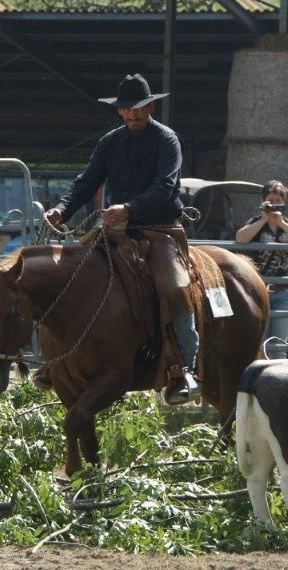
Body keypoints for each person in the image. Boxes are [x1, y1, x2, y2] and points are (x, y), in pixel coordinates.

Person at [43, 73, 199, 404]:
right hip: (115, 231)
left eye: (138, 110)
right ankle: (55, 360)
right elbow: (86, 181)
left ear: (152, 106)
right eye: (126, 111)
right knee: (70, 276)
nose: (132, 116)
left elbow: (165, 187)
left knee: (174, 289)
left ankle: (184, 367)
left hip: (159, 231)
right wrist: (61, 209)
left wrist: (128, 208)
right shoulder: (109, 143)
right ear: (119, 111)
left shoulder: (167, 140)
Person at [235, 180, 288, 356]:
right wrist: (263, 219)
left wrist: (281, 223)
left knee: (279, 347)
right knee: (260, 345)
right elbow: (240, 238)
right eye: (271, 200)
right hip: (259, 291)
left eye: (278, 201)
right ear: (263, 201)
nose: (274, 204)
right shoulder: (255, 222)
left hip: (283, 293)